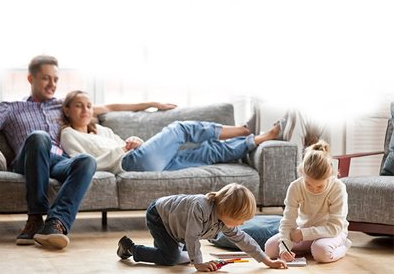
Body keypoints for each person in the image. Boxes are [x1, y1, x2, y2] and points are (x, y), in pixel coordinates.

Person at [0, 55, 176, 249]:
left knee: (87, 161)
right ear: (31, 79)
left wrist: (152, 104)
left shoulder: (62, 105)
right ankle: (35, 217)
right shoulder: (10, 108)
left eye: (55, 79)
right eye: (46, 78)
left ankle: (56, 224)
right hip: (28, 159)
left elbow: (110, 107)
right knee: (39, 137)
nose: (52, 84)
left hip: (58, 160)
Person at [59, 90, 296, 173]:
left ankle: (258, 138)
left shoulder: (101, 129)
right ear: (67, 110)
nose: (85, 110)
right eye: (79, 105)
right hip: (129, 163)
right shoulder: (69, 135)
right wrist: (124, 149)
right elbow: (83, 163)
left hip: (144, 159)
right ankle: (244, 129)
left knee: (207, 152)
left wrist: (134, 140)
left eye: (88, 106)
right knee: (180, 128)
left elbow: (126, 142)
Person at [117, 183, 287, 271]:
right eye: (239, 219)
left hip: (177, 226)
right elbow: (192, 237)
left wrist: (267, 261)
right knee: (171, 259)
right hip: (160, 216)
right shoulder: (200, 207)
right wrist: (199, 264)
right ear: (226, 211)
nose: (241, 224)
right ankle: (130, 248)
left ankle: (162, 248)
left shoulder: (224, 221)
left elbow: (244, 240)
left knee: (180, 256)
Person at [265, 140, 351, 263]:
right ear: (302, 173)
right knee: (270, 249)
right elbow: (288, 222)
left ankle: (342, 247)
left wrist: (304, 234)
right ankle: (309, 249)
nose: (314, 190)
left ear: (330, 176)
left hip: (332, 233)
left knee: (322, 252)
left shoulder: (338, 188)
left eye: (320, 186)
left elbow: (335, 227)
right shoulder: (295, 187)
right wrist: (284, 249)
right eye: (308, 185)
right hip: (304, 232)